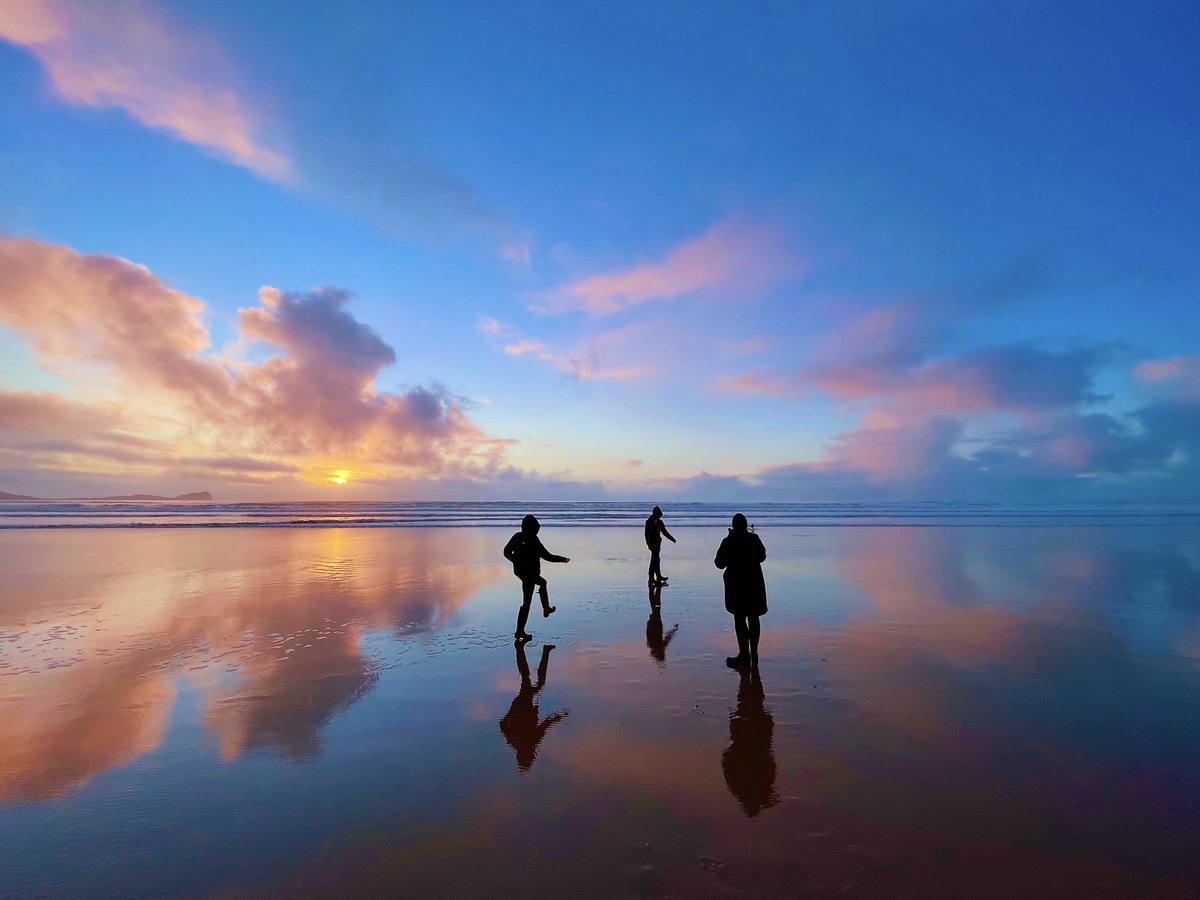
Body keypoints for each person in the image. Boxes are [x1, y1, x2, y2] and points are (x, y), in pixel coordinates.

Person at [499, 641, 568, 772]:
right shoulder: (528, 742)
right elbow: (545, 725)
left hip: (521, 706)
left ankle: (524, 649)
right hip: (524, 706)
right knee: (533, 681)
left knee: (528, 678)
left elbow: (502, 724)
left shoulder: (514, 741)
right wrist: (556, 718)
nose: (531, 753)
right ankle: (539, 651)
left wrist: (512, 712)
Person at [503, 514, 570, 641]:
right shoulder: (533, 540)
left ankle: (521, 630)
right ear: (531, 529)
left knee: (532, 594)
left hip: (520, 572)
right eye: (536, 530)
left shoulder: (517, 536)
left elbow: (506, 552)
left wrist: (515, 561)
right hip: (528, 573)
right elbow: (547, 556)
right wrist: (562, 559)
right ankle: (545, 610)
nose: (537, 532)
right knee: (531, 597)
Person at [714, 513, 766, 668]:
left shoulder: (729, 541)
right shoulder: (754, 539)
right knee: (754, 618)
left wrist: (730, 541)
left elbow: (719, 563)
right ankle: (754, 653)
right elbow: (762, 557)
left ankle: (744, 654)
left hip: (736, 585)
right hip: (754, 583)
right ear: (746, 525)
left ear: (733, 525)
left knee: (739, 619)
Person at [646, 582, 679, 667]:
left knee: (656, 605)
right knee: (655, 605)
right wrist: (674, 629)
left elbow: (667, 637)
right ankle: (655, 588)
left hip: (655, 623)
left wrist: (674, 630)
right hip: (655, 623)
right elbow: (668, 637)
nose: (664, 653)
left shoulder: (655, 646)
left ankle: (655, 588)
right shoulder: (655, 646)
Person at [644, 505, 676, 587]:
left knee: (656, 560)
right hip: (652, 543)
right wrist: (648, 543)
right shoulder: (649, 521)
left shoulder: (659, 522)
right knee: (654, 561)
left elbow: (664, 532)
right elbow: (646, 534)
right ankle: (651, 579)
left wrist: (672, 538)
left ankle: (658, 577)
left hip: (657, 543)